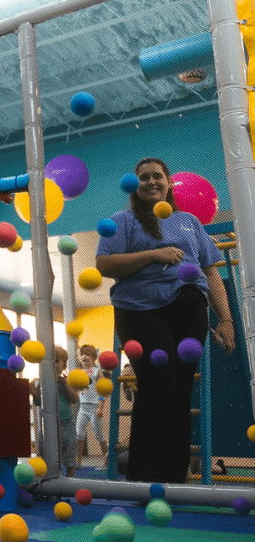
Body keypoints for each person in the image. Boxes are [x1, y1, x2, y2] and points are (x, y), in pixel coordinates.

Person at [96, 157, 235, 484]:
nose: (151, 182)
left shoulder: (189, 222)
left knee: (180, 389)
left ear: (169, 182)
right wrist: (153, 254)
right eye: (143, 178)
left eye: (157, 176)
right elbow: (104, 264)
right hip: (140, 310)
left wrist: (226, 319)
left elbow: (211, 270)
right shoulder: (123, 221)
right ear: (135, 185)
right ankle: (143, 474)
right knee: (159, 383)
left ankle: (174, 476)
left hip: (189, 308)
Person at [29, 345, 79, 477]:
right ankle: (48, 482)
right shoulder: (40, 382)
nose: (52, 364)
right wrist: (35, 394)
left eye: (56, 361)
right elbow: (38, 403)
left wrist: (64, 384)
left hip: (66, 426)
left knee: (70, 459)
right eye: (49, 362)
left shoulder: (67, 381)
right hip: (47, 426)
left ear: (64, 366)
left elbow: (75, 399)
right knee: (45, 456)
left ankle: (68, 483)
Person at [75, 344, 110, 469]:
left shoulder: (97, 372)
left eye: (87, 354)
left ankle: (107, 460)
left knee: (99, 434)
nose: (84, 356)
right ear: (79, 358)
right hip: (83, 407)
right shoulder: (79, 373)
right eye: (82, 354)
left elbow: (103, 390)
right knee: (79, 433)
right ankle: (78, 461)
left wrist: (101, 407)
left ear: (93, 357)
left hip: (95, 407)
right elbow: (77, 389)